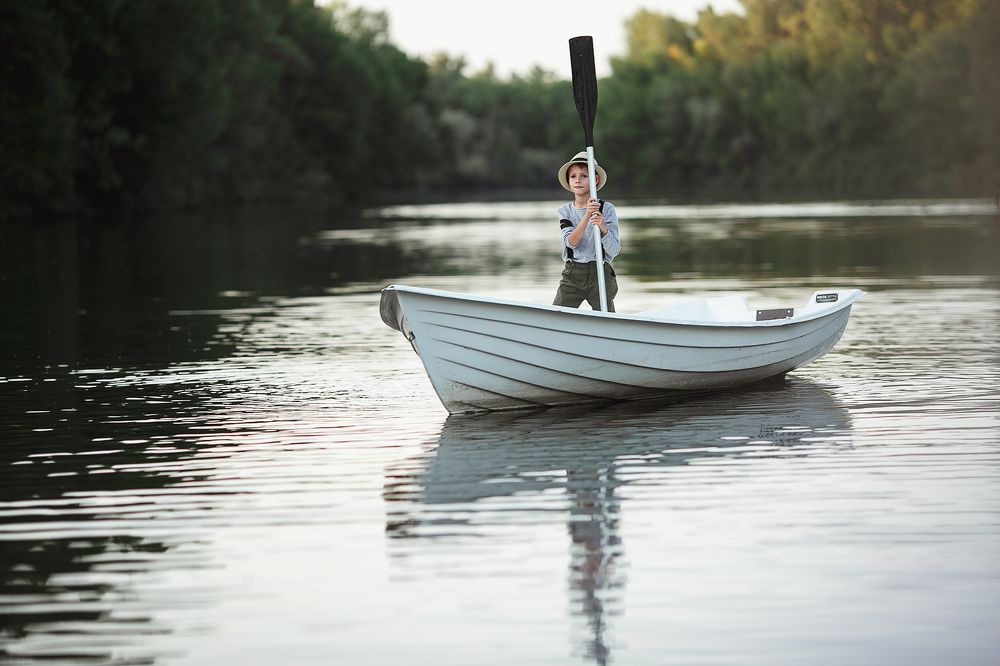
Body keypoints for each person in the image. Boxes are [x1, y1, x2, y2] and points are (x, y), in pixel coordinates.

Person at [552, 151, 621, 311]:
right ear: (569, 181)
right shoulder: (565, 211)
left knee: (606, 317)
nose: (577, 180)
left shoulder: (607, 209)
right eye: (573, 176)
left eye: (583, 176)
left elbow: (615, 250)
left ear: (595, 179)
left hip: (600, 272)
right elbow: (571, 242)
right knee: (557, 315)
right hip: (573, 273)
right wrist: (587, 216)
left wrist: (603, 229)